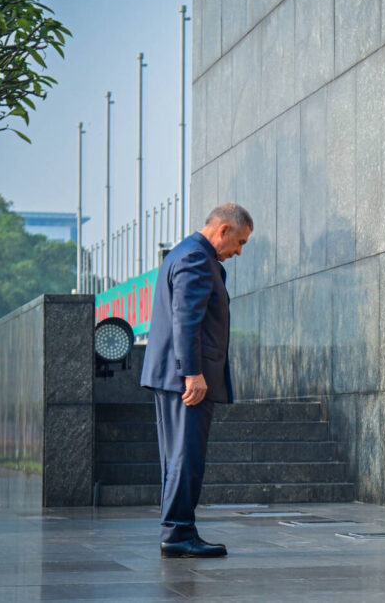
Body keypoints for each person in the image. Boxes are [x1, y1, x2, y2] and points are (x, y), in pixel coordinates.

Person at [140, 203, 253, 558]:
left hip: (175, 376)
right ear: (222, 230)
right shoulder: (196, 259)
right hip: (186, 378)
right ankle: (178, 533)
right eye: (240, 242)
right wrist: (193, 373)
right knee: (185, 456)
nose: (238, 251)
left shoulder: (184, 253)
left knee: (179, 456)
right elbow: (185, 320)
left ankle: (178, 530)